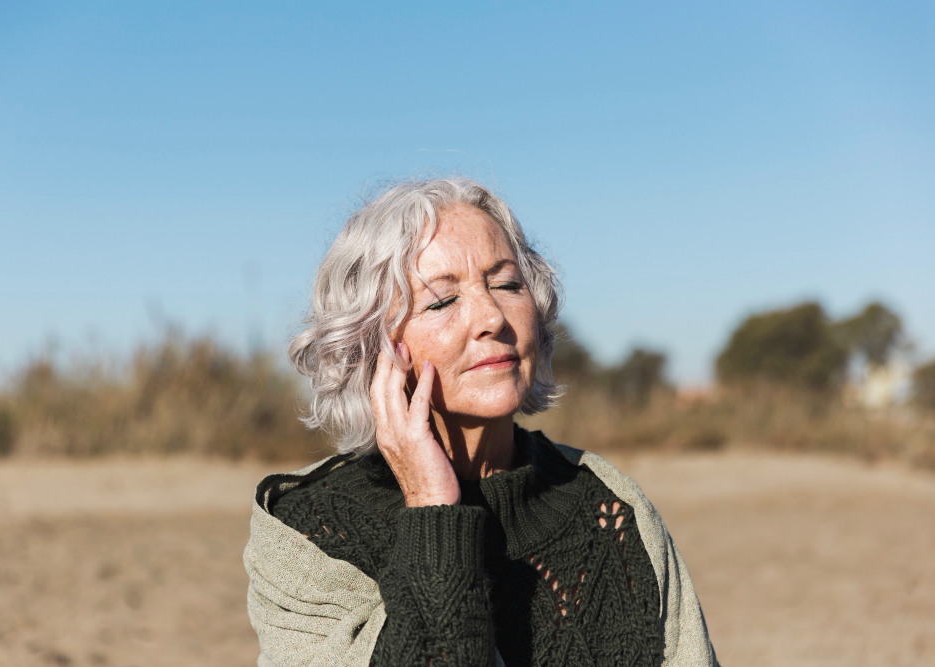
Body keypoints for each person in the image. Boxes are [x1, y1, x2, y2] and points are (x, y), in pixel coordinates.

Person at [244, 178, 718, 666]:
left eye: (508, 284)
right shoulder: (306, 534)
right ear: (370, 346)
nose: (492, 316)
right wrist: (432, 510)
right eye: (442, 300)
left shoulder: (610, 506)